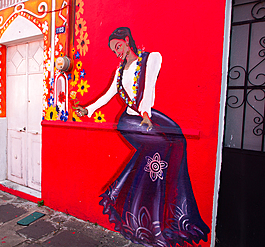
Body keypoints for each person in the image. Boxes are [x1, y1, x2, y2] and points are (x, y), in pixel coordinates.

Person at [75, 27, 210, 247]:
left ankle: (176, 214)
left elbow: (149, 89)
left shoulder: (152, 58)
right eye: (113, 50)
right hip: (129, 121)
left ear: (127, 41)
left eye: (118, 46)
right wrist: (87, 109)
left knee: (178, 143)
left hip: (148, 116)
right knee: (159, 149)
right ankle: (146, 213)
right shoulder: (120, 71)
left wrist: (146, 114)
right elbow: (109, 94)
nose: (116, 52)